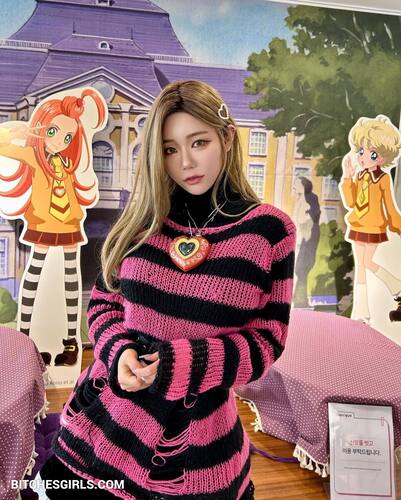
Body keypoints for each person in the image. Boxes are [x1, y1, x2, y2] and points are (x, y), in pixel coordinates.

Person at [41, 80, 296, 499]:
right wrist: (119, 351)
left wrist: (181, 364)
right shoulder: (143, 220)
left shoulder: (269, 231)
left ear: (227, 137)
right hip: (98, 425)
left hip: (192, 449)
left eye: (199, 142)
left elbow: (266, 341)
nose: (186, 162)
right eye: (169, 149)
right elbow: (104, 303)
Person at [0, 88, 106, 365]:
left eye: (67, 137)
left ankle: (71, 342)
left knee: (71, 278)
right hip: (43, 223)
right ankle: (24, 339)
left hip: (69, 223)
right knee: (33, 274)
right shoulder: (34, 157)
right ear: (42, 129)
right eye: (53, 132)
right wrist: (22, 131)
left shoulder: (67, 163)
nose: (60, 141)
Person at [339, 115, 401, 323]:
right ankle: (361, 313)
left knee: (368, 262)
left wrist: (398, 225)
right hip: (357, 224)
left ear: (383, 157)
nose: (363, 157)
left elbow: (390, 206)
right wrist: (347, 177)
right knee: (361, 268)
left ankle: (397, 286)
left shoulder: (383, 178)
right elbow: (351, 202)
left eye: (371, 153)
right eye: (361, 151)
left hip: (374, 227)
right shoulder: (359, 176)